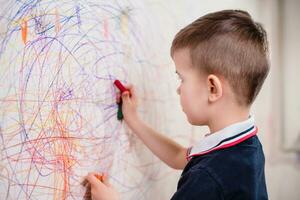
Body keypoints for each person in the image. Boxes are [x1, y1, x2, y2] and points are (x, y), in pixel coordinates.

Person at [84, 9, 269, 200]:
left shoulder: (208, 177)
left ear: (212, 88)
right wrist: (133, 120)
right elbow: (178, 156)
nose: (178, 89)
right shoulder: (246, 147)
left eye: (181, 78)